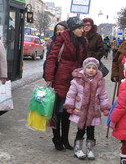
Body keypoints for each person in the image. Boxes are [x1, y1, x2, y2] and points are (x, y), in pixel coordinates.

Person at [44, 16, 87, 151]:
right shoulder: (62, 39)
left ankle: (65, 139)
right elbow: (51, 58)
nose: (82, 30)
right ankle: (56, 139)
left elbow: (84, 60)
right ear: (73, 28)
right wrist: (49, 77)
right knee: (57, 111)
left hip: (75, 81)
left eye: (82, 28)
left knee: (68, 111)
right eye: (79, 28)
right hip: (60, 79)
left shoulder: (83, 41)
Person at [64, 57, 111, 160]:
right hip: (81, 111)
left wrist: (105, 107)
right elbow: (71, 94)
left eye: (93, 68)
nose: (91, 70)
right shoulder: (77, 81)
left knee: (91, 130)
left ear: (97, 70)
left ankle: (90, 150)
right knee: (80, 129)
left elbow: (103, 96)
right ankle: (78, 149)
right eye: (88, 67)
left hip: (93, 111)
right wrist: (70, 106)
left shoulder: (100, 82)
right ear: (84, 69)